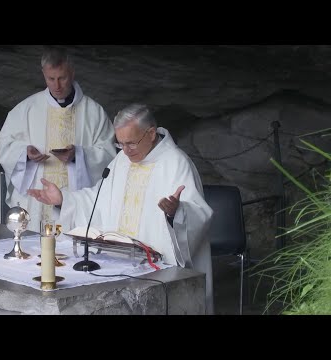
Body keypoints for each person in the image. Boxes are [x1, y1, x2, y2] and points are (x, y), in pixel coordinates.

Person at [28, 103, 214, 314]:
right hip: (117, 263)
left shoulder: (177, 163)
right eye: (120, 144)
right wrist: (64, 199)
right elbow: (98, 200)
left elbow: (199, 216)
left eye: (131, 143)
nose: (125, 151)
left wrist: (175, 213)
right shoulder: (122, 161)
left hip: (156, 271)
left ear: (151, 133)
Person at [0, 47, 117, 232]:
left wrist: (79, 155)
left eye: (62, 78)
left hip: (74, 201)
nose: (57, 85)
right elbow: (5, 145)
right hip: (36, 203)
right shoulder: (27, 109)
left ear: (72, 72)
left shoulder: (94, 113)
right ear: (43, 74)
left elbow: (110, 156)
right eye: (50, 79)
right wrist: (25, 154)